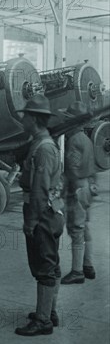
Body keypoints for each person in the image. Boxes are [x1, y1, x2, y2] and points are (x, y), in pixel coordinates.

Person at [14, 94, 64, 337]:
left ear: (34, 119)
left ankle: (43, 320)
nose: (22, 119)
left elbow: (40, 189)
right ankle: (49, 311)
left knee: (44, 266)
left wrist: (30, 221)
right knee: (51, 264)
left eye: (25, 115)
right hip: (51, 211)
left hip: (42, 213)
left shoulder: (43, 149)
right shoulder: (43, 144)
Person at [61, 101, 97, 284]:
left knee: (76, 230)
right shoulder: (86, 139)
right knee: (85, 228)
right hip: (88, 186)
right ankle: (88, 265)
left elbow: (73, 169)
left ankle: (77, 272)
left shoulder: (74, 140)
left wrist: (68, 191)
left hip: (78, 188)